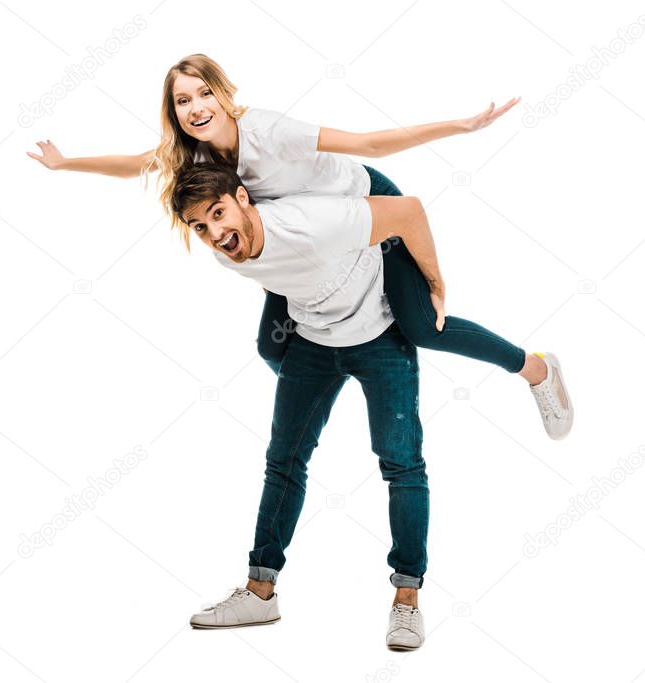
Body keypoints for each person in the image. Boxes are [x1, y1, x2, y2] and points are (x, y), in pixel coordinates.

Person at [28, 54, 573, 439]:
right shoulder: (194, 159)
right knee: (272, 347)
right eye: (182, 100)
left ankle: (535, 370)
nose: (195, 107)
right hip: (311, 243)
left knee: (420, 326)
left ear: (222, 93)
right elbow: (134, 166)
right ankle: (328, 383)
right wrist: (65, 162)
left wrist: (458, 127)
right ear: (175, 112)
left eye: (203, 92)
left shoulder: (269, 131)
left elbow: (370, 143)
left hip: (367, 207)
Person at [169, 162, 572, 649]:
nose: (215, 232)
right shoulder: (226, 253)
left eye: (218, 214)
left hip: (382, 335)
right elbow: (277, 276)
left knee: (401, 462)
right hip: (313, 345)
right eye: (200, 226)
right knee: (284, 460)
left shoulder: (311, 220)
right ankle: (260, 592)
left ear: (243, 197)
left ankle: (407, 599)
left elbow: (406, 212)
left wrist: (434, 284)